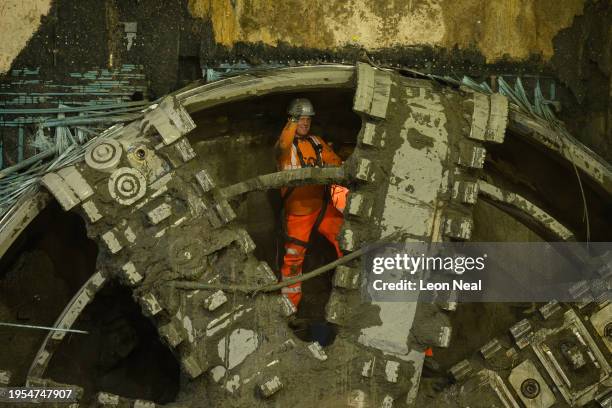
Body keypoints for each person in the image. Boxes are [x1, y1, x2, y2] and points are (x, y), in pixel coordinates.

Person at [275, 98, 347, 310]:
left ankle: (351, 297)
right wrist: (292, 122)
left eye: (308, 119)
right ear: (291, 121)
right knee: (293, 262)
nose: (305, 123)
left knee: (346, 241)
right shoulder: (285, 148)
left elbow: (336, 164)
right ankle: (289, 309)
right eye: (300, 119)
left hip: (322, 208)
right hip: (298, 214)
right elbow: (282, 146)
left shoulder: (317, 142)